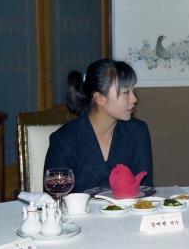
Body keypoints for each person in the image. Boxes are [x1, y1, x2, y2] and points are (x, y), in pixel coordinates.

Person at [44, 59, 153, 192]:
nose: (134, 99)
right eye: (126, 93)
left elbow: (145, 190)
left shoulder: (137, 132)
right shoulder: (65, 140)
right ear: (99, 98)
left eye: (133, 91)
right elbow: (54, 198)